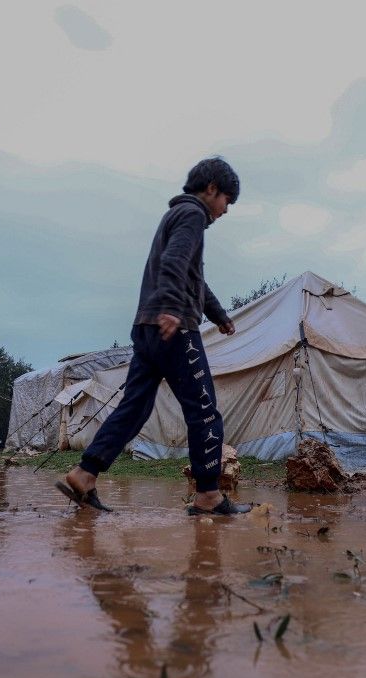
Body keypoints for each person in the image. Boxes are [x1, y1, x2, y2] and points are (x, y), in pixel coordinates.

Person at [56, 157, 251, 515]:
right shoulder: (192, 215)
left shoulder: (176, 216)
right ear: (211, 189)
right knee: (205, 412)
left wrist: (219, 315)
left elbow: (193, 277)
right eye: (227, 200)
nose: (226, 210)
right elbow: (175, 262)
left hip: (146, 328)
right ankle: (209, 495)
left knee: (134, 408)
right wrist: (174, 309)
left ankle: (85, 474)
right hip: (174, 330)